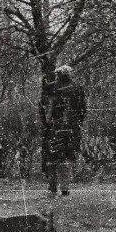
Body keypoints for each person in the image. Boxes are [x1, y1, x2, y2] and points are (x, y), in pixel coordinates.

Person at [39, 65, 86, 196]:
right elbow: (82, 109)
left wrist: (46, 122)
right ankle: (63, 187)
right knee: (66, 157)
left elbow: (42, 107)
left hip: (53, 128)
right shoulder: (77, 88)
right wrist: (77, 123)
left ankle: (53, 186)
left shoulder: (50, 87)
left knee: (52, 157)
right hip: (69, 128)